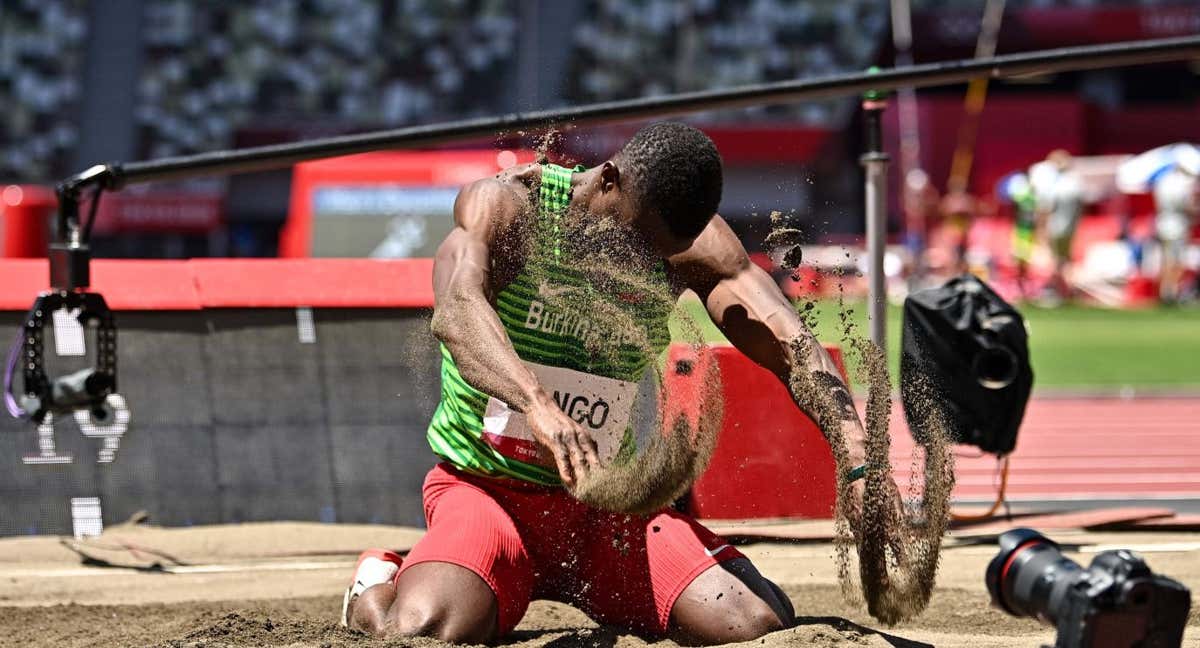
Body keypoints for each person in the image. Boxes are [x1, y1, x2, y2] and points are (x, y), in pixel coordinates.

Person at [341, 122, 872, 644]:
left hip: (606, 509)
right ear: (609, 181)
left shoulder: (691, 244)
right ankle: (382, 574)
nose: (642, 260)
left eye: (660, 253)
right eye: (637, 238)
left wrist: (856, 460)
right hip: (490, 493)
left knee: (754, 621)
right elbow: (457, 312)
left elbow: (791, 346)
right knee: (423, 629)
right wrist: (537, 405)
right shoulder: (509, 209)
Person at [1029, 150, 1083, 302]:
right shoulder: (1069, 182)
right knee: (1061, 260)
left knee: (1057, 260)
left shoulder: (1063, 184)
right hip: (1063, 228)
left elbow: (1045, 208)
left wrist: (1041, 229)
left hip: (1059, 228)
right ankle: (1062, 290)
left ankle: (1059, 291)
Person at [1153, 164, 1197, 304]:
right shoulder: (1181, 185)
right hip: (1177, 225)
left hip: (1162, 223)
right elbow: (1186, 207)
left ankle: (1164, 291)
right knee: (1176, 260)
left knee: (1166, 259)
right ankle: (1171, 293)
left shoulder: (1161, 183)